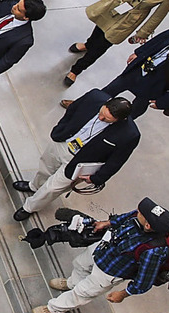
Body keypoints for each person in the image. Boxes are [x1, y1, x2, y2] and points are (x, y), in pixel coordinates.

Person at [33, 198, 169, 313]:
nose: (138, 210)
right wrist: (107, 223)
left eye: (142, 212)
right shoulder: (137, 217)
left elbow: (144, 282)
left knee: (82, 293)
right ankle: (71, 283)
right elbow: (125, 217)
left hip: (109, 272)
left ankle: (52, 308)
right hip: (102, 250)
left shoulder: (154, 251)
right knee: (80, 264)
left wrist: (123, 294)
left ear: (148, 225)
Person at [11, 92, 139, 221]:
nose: (100, 118)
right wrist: (60, 129)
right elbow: (72, 109)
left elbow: (116, 161)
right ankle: (35, 186)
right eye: (101, 113)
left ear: (120, 119)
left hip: (80, 162)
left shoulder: (130, 135)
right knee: (45, 167)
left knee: (52, 189)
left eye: (106, 119)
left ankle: (29, 207)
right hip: (64, 142)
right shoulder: (94, 97)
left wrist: (97, 178)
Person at [101, 22, 169, 118]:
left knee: (135, 109)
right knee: (107, 91)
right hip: (137, 71)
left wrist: (162, 103)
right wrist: (139, 53)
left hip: (154, 87)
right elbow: (158, 40)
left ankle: (117, 126)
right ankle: (93, 106)